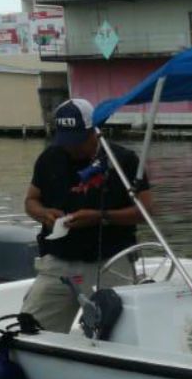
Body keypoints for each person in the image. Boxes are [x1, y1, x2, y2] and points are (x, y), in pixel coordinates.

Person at [21, 99, 153, 332]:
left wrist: (100, 217)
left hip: (111, 262)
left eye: (77, 140)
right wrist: (44, 214)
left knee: (123, 334)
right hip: (59, 263)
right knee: (30, 329)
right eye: (65, 140)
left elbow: (146, 211)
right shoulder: (49, 158)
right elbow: (31, 201)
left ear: (93, 130)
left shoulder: (123, 161)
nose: (71, 147)